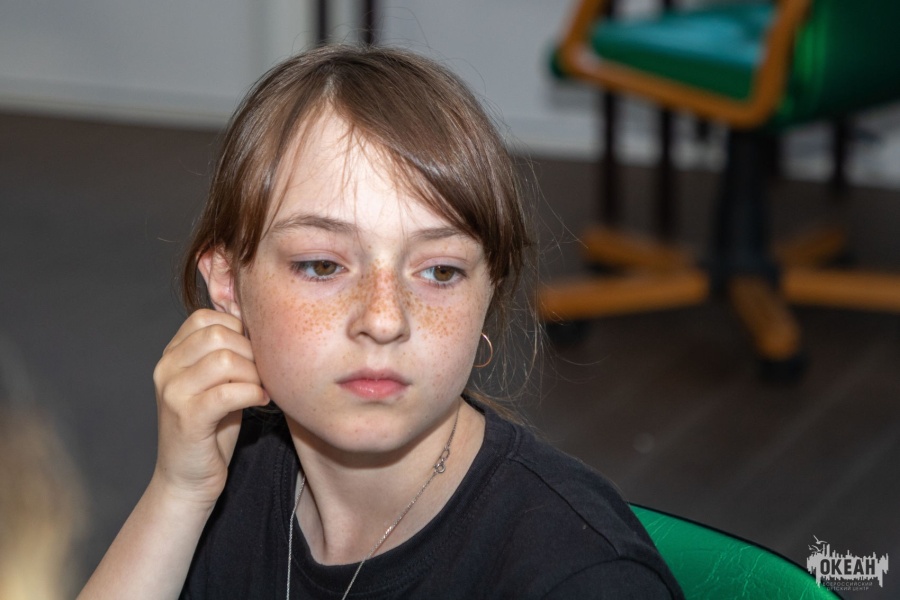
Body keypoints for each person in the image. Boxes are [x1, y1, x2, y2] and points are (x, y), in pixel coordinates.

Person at [79, 45, 683, 599]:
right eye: (322, 265)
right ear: (229, 284)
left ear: (489, 291)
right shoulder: (228, 475)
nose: (384, 320)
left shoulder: (580, 577)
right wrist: (178, 493)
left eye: (440, 272)